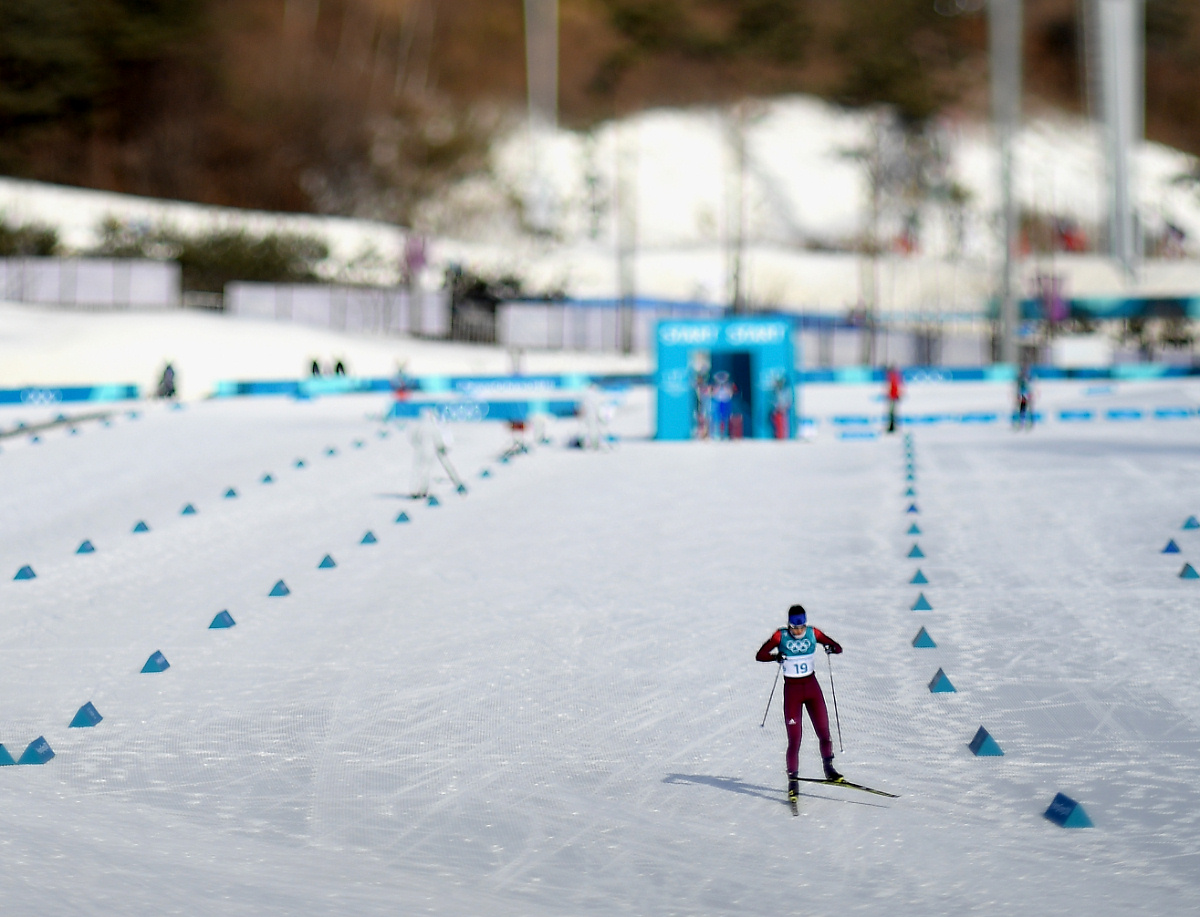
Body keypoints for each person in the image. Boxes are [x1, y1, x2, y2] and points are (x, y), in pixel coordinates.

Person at [756, 604, 844, 802]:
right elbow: (759, 655)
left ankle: (829, 769)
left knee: (823, 731)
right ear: (789, 625)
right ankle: (793, 783)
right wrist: (775, 656)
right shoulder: (780, 636)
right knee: (795, 740)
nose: (798, 631)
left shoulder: (814, 633)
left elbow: (837, 647)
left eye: (801, 627)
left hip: (812, 688)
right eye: (794, 628)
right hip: (792, 692)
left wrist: (831, 648)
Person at [409, 408, 448, 498]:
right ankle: (423, 490)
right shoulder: (433, 426)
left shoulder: (418, 426)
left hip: (419, 451)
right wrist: (441, 447)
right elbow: (438, 439)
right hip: (429, 451)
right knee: (426, 471)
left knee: (417, 470)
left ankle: (414, 490)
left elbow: (412, 438)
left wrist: (417, 445)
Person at [1014, 366, 1033, 430]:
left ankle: (1027, 424)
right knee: (1020, 410)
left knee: (1026, 410)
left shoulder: (1027, 379)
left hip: (1024, 396)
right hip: (1022, 396)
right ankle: (1018, 424)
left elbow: (1029, 388)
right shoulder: (1020, 379)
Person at [885, 365, 903, 433]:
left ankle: (892, 427)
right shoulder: (893, 377)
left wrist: (893, 395)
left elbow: (893, 388)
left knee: (892, 412)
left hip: (893, 398)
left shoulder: (892, 377)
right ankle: (892, 426)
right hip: (893, 397)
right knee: (892, 412)